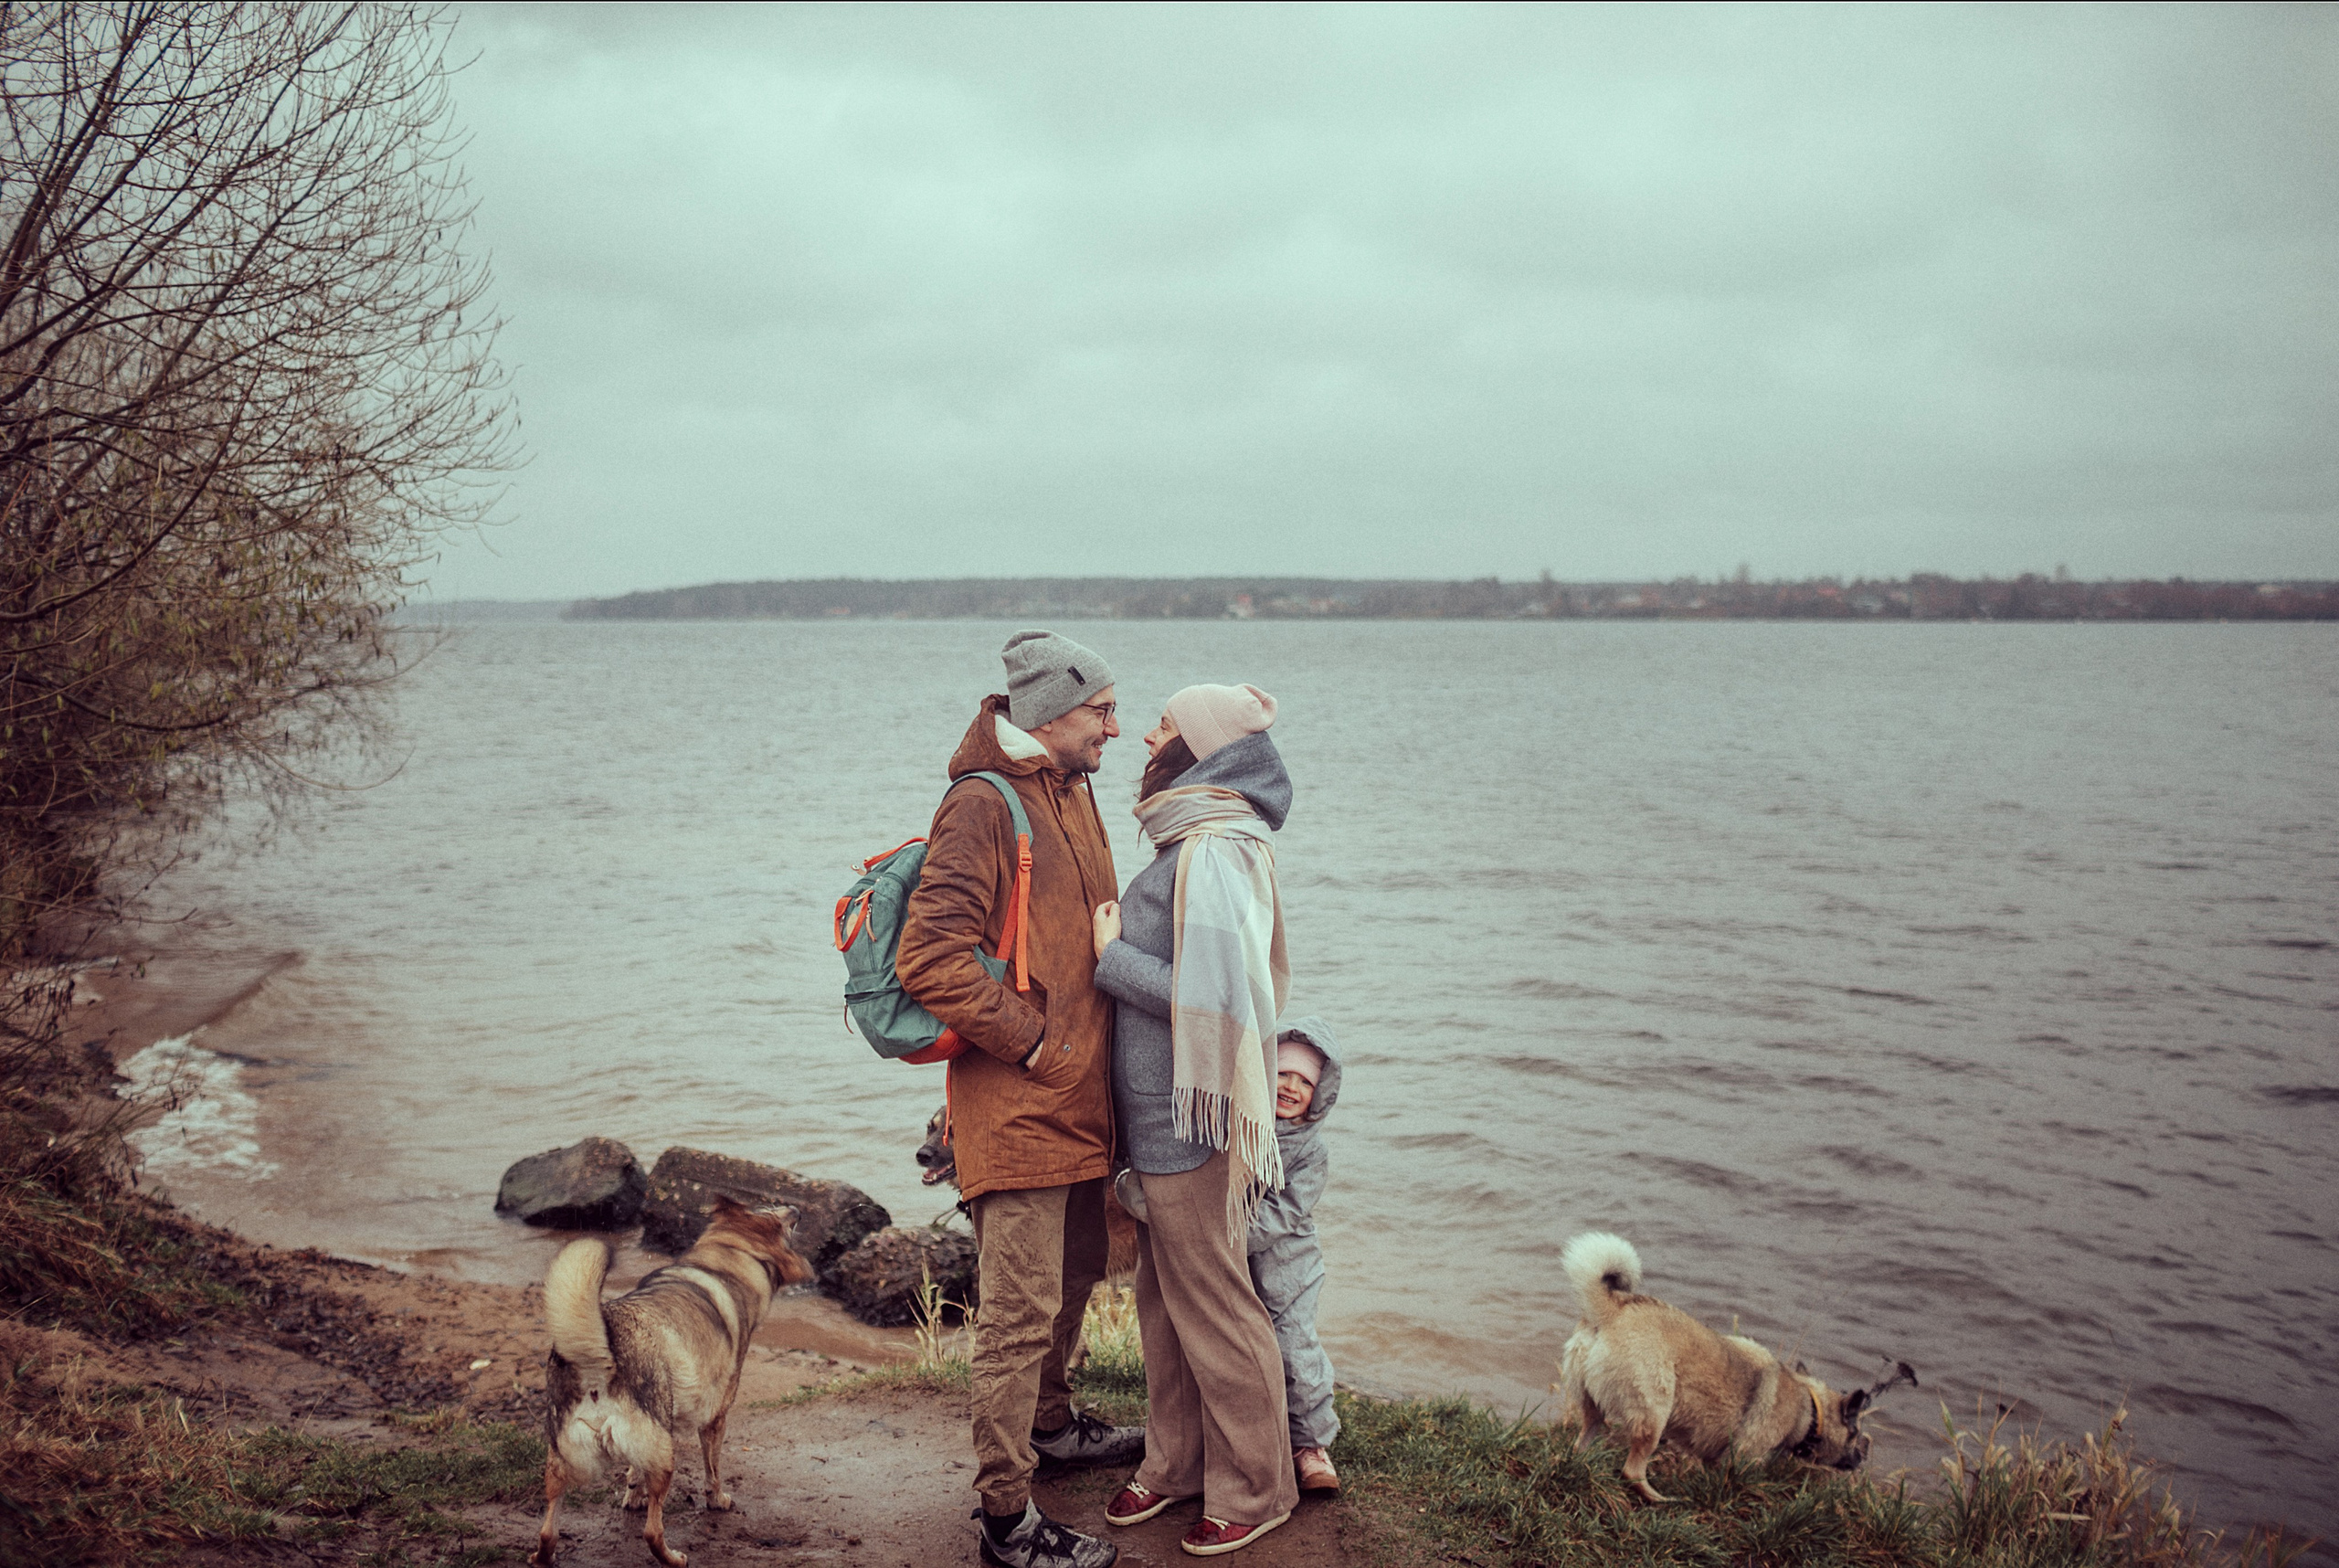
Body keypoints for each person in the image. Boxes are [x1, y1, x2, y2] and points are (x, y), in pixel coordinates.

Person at [897, 630, 1143, 1568]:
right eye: (1102, 712)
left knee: (1075, 1276)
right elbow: (930, 959)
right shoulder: (982, 804)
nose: (1114, 729)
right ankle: (1006, 1518)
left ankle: (1049, 1427)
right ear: (1050, 713)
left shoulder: (1068, 788)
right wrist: (1038, 1041)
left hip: (1080, 1104)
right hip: (1018, 1103)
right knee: (1016, 1313)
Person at [1090, 683, 1300, 1558]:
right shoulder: (1195, 833)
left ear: (1203, 746)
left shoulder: (1215, 847)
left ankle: (1257, 1488)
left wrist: (1110, 955)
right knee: (1163, 1301)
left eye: (1166, 724)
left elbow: (1211, 1000)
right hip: (1161, 1110)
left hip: (1194, 1117)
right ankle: (1176, 1463)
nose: (1146, 732)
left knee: (1214, 1303)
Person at [1247, 1017, 1345, 1496]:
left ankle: (1311, 1445)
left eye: (1304, 1082)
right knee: (1247, 1351)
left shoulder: (1312, 1150)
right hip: (1242, 1266)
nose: (1290, 1087)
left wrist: (1228, 1234)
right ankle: (1261, 1436)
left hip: (1292, 1269)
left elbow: (1284, 1213)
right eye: (1282, 1074)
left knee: (1295, 1351)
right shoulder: (1247, 1121)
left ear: (1320, 1093)